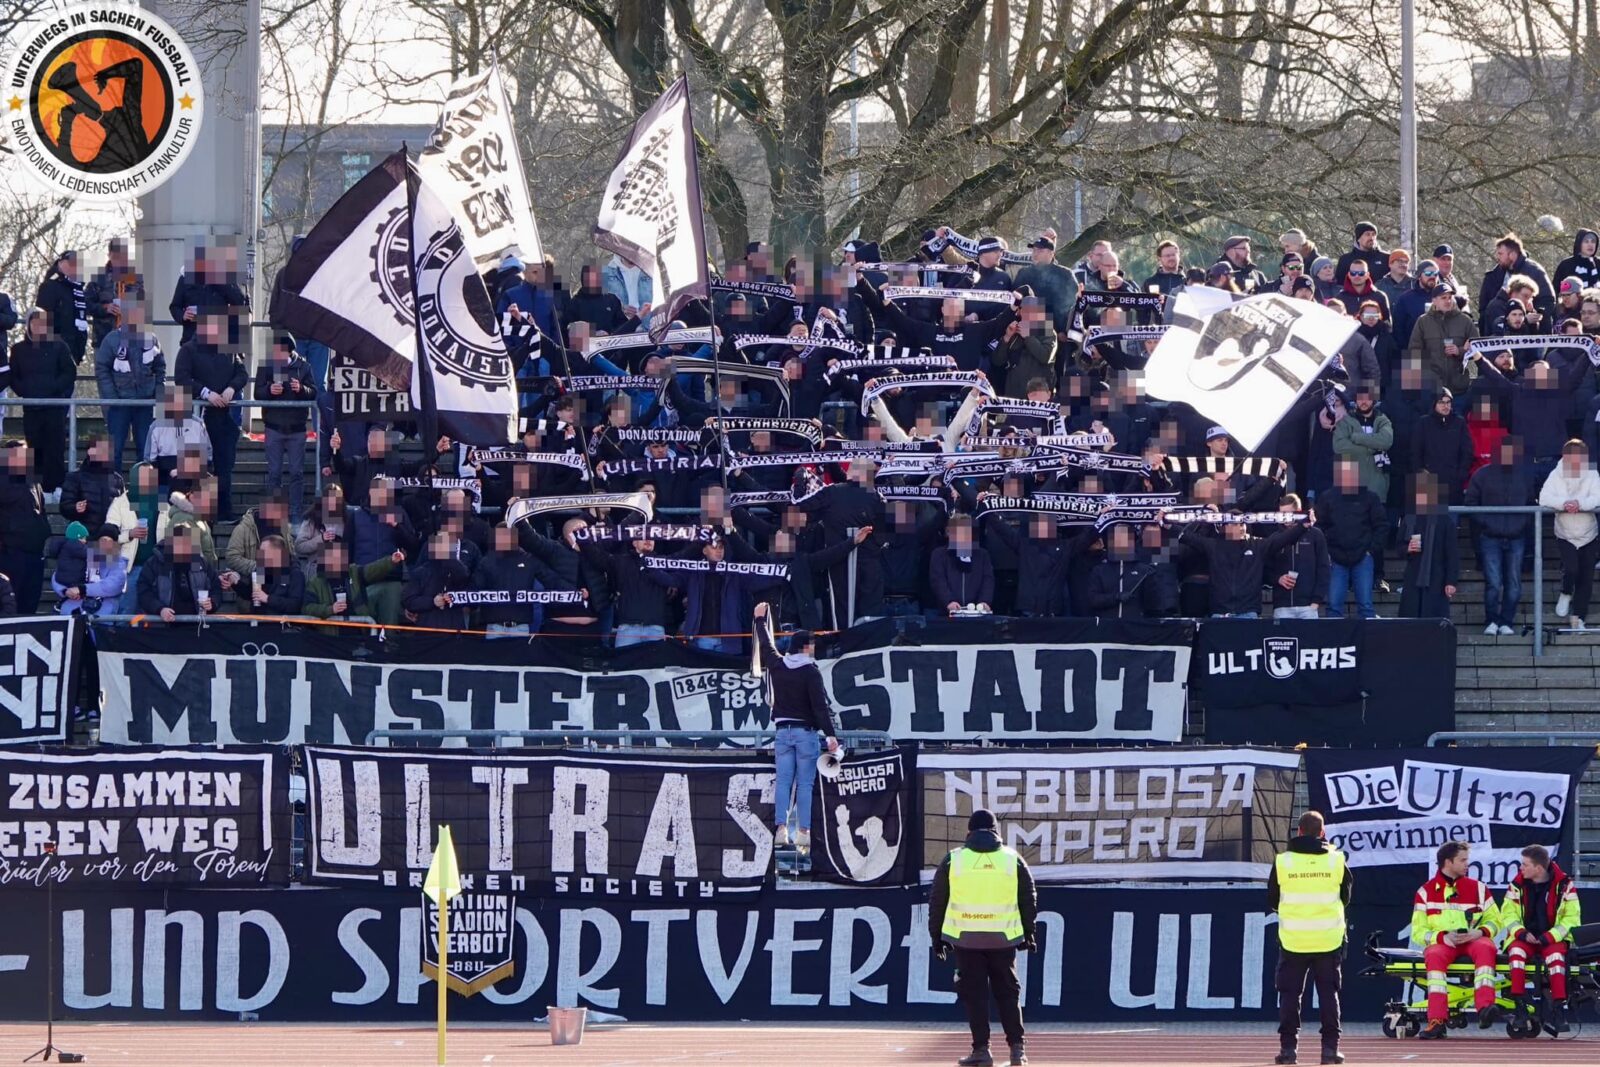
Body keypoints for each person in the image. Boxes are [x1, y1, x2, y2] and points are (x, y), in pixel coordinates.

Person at [929, 807, 1039, 1067]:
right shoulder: (1012, 859)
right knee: (1008, 993)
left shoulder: (953, 860)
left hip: (966, 939)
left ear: (969, 832)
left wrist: (937, 937)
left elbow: (937, 901)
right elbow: (1028, 897)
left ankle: (981, 1050)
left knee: (975, 995)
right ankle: (1017, 1050)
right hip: (1003, 939)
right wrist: (1029, 932)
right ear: (996, 832)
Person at [752, 601, 840, 853]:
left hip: (782, 733)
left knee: (783, 782)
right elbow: (819, 708)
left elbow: (766, 645)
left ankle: (780, 828)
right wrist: (831, 735)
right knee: (804, 784)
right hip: (806, 735)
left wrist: (759, 620)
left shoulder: (778, 665)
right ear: (807, 648)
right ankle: (803, 833)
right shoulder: (811, 672)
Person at [1268, 810, 1351, 1066]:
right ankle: (1330, 1051)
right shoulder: (1337, 861)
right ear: (1322, 833)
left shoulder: (1283, 862)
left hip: (1294, 940)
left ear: (1299, 831)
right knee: (1329, 995)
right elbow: (1346, 897)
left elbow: (1273, 901)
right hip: (1329, 940)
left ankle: (1288, 1051)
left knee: (1290, 995)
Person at [1413, 840, 1502, 1039]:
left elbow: (1496, 920)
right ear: (1448, 862)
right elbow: (1418, 932)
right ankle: (1436, 1021)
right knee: (1434, 954)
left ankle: (1485, 1008)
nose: (1466, 864)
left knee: (1486, 947)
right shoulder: (1425, 892)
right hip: (1443, 943)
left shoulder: (1478, 888)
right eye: (1462, 860)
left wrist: (1480, 932)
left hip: (1473, 939)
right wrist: (1442, 937)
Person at [174, 307, 249, 521]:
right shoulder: (188, 350)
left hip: (224, 418)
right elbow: (181, 378)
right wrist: (206, 393)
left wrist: (231, 388)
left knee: (225, 465)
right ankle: (202, 511)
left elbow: (241, 372)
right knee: (200, 468)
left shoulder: (229, 350)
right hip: (198, 418)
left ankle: (225, 510)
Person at [1498, 844, 1582, 1032]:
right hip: (1524, 938)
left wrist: (1549, 937)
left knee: (1556, 960)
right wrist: (1521, 933)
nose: (1521, 868)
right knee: (1517, 954)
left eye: (1524, 864)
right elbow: (1508, 914)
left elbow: (1572, 919)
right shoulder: (1517, 885)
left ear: (1538, 868)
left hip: (1551, 939)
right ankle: (1520, 1008)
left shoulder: (1565, 885)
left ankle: (1559, 1011)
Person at [1464, 437, 1531, 636]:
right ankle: (1492, 620)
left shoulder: (1524, 476)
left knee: (1514, 583)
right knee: (1493, 582)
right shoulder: (1482, 475)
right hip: (1490, 536)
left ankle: (1507, 621)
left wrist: (1521, 523)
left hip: (1516, 536)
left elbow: (1531, 503)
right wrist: (1486, 522)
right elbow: (1471, 502)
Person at [94, 292, 165, 472]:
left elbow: (160, 366)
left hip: (144, 403)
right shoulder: (111, 339)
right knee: (115, 449)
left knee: (145, 450)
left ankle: (143, 492)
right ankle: (114, 490)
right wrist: (112, 396)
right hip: (119, 404)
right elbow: (102, 368)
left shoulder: (152, 339)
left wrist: (157, 391)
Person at [9, 308, 76, 497]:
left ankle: (56, 488)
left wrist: (55, 388)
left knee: (55, 449)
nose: (38, 326)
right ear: (29, 324)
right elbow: (13, 377)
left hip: (54, 407)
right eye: (34, 322)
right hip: (31, 408)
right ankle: (36, 491)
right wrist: (26, 390)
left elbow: (69, 373)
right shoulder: (18, 350)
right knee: (34, 449)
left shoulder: (60, 347)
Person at [253, 330, 318, 521]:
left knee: (297, 473)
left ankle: (296, 512)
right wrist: (269, 390)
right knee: (274, 473)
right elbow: (257, 392)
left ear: (289, 350)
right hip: (273, 426)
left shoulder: (304, 367)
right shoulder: (266, 366)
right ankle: (274, 514)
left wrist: (301, 390)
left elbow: (314, 392)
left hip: (297, 428)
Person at [1538, 439, 1600, 630]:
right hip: (1565, 533)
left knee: (1586, 578)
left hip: (1588, 533)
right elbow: (1544, 498)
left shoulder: (1592, 473)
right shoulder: (1555, 474)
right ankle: (1565, 592)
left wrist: (1579, 504)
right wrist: (1565, 503)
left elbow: (1597, 497)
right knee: (1571, 569)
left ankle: (1578, 618)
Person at [1313, 460, 1386, 619]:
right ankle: (1334, 643)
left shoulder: (1370, 498)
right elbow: (1319, 527)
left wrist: (1370, 551)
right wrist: (1328, 553)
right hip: (1335, 559)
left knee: (1366, 606)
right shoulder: (1327, 497)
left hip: (1363, 558)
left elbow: (1381, 526)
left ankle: (1366, 643)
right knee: (1333, 606)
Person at [1396, 473, 1459, 618]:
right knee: (1410, 621)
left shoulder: (1445, 521)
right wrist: (1407, 549)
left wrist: (1451, 581)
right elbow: (1399, 546)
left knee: (1433, 621)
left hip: (1437, 579)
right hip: (1413, 577)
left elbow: (1452, 554)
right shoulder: (1410, 518)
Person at [1267, 494, 1329, 619]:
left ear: (1298, 512)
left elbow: (1324, 569)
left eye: (1288, 513)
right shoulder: (1275, 538)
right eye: (1281, 513)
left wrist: (1316, 601)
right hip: (1282, 606)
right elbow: (1265, 569)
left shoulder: (1315, 535)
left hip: (1308, 607)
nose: (1284, 518)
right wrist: (1278, 579)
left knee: (1311, 639)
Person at [33, 251, 88, 364]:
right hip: (53, 347)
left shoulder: (77, 289)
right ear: (61, 263)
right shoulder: (50, 286)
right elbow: (41, 318)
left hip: (73, 347)